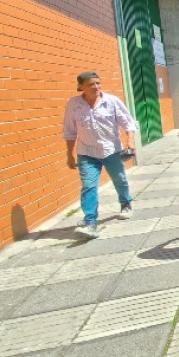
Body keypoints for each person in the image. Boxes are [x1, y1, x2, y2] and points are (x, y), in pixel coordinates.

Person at [62, 71, 137, 239]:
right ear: (81, 86)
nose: (96, 87)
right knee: (89, 186)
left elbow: (128, 122)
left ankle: (125, 203)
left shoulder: (111, 101)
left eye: (98, 83)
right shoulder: (73, 105)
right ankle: (90, 222)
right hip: (86, 153)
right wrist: (69, 154)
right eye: (91, 84)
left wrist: (130, 141)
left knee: (119, 179)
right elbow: (69, 131)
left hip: (111, 150)